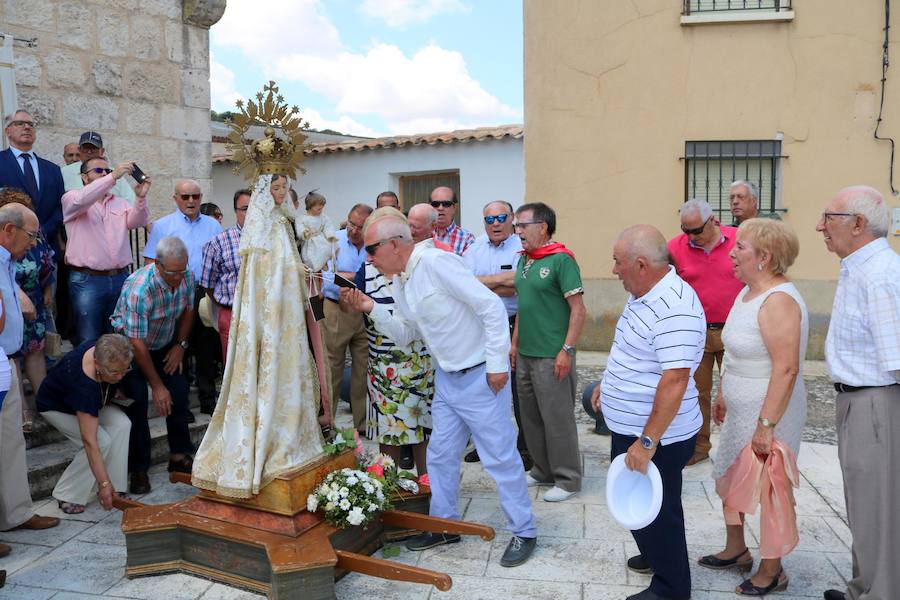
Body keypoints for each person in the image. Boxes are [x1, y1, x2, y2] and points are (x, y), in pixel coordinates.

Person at [341, 212, 537, 567]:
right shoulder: (401, 279)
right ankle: (445, 525)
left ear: (395, 245)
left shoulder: (436, 263)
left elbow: (492, 306)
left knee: (500, 458)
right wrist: (370, 308)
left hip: (480, 376)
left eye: (372, 249)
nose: (368, 258)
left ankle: (524, 531)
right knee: (440, 455)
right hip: (448, 380)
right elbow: (406, 332)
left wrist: (496, 365)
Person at [192, 174, 332, 498]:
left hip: (292, 320)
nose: (282, 194)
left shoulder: (287, 227)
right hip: (259, 322)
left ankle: (298, 436)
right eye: (276, 188)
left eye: (285, 187)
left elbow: (307, 267)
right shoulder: (254, 238)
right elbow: (240, 286)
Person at [593, 224, 704, 600]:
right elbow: (631, 350)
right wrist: (609, 387)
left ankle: (672, 588)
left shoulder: (676, 307)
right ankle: (657, 553)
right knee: (638, 502)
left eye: (617, 262)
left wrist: (646, 442)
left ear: (640, 264)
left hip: (659, 435)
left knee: (660, 511)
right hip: (634, 427)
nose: (613, 270)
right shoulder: (643, 293)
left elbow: (674, 380)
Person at [702, 219, 806, 596]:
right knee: (729, 472)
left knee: (770, 487)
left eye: (740, 247)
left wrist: (766, 424)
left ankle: (773, 570)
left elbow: (787, 367)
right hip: (741, 404)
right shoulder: (746, 293)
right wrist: (723, 393)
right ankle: (737, 549)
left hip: (770, 409)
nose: (731, 252)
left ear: (763, 257)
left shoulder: (779, 301)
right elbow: (734, 350)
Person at [817, 185, 900, 600]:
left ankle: (878, 593)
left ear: (858, 224)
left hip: (876, 401)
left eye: (828, 218)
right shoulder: (859, 267)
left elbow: (898, 357)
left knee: (879, 508)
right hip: (858, 398)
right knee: (863, 505)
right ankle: (862, 587)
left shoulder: (881, 274)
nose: (821, 227)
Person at [344, 207, 434, 476]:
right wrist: (350, 302)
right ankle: (391, 488)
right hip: (382, 366)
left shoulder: (415, 266)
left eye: (373, 247)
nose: (370, 255)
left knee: (423, 429)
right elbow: (355, 304)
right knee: (388, 431)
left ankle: (428, 485)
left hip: (418, 363)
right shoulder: (367, 270)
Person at [111, 236, 197, 494]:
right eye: (172, 273)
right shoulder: (140, 288)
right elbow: (136, 344)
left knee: (179, 393)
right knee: (137, 404)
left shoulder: (186, 275)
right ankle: (138, 469)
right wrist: (157, 386)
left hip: (164, 341)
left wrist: (180, 346)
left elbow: (189, 310)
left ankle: (178, 457)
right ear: (158, 265)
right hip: (130, 348)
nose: (178, 278)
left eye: (182, 271)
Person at [512, 202, 585, 502]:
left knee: (557, 419)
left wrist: (567, 350)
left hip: (551, 354)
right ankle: (542, 469)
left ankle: (567, 478)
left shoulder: (561, 261)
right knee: (530, 417)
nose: (517, 231)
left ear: (542, 226)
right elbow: (523, 308)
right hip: (526, 353)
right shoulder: (524, 260)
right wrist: (514, 344)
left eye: (522, 225)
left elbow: (579, 311)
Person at [0, 203, 59, 544]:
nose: (35, 243)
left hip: (8, 360)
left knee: (11, 442)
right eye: (31, 235)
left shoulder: (8, 260)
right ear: (9, 230)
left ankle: (16, 513)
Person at [667, 199, 743, 465]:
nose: (691, 237)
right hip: (695, 332)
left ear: (713, 221)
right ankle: (698, 447)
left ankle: (738, 449)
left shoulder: (738, 239)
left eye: (696, 231)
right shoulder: (675, 247)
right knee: (696, 392)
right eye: (685, 230)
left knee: (736, 393)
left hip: (734, 330)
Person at [144, 179, 222, 419]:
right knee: (179, 349)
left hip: (206, 292)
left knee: (207, 349)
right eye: (185, 197)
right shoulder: (163, 225)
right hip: (176, 293)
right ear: (175, 198)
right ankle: (183, 405)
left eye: (195, 196)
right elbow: (150, 262)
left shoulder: (213, 225)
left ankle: (209, 401)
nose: (191, 201)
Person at [462, 201, 531, 469]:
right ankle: (486, 446)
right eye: (489, 219)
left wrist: (482, 284)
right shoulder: (475, 248)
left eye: (501, 217)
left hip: (515, 324)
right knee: (484, 390)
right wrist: (499, 283)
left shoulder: (521, 247)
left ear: (512, 219)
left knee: (519, 390)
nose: (495, 224)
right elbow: (463, 285)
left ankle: (525, 449)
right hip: (481, 329)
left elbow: (519, 285)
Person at [36, 334, 133, 514]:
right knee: (101, 441)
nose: (120, 377)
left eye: (124, 370)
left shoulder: (105, 345)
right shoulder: (84, 386)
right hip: (56, 406)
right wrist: (104, 484)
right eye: (114, 372)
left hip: (91, 401)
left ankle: (116, 486)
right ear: (97, 364)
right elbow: (90, 442)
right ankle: (67, 493)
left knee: (122, 424)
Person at [62, 157, 150, 345]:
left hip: (119, 277)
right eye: (99, 171)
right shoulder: (71, 197)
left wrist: (141, 198)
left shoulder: (119, 202)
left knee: (116, 338)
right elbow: (81, 200)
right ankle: (87, 374)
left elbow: (137, 222)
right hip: (87, 280)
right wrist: (113, 177)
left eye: (107, 171)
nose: (105, 174)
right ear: (84, 177)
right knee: (88, 338)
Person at [0, 189, 55, 434]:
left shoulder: (28, 238)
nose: (33, 241)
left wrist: (46, 289)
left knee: (35, 351)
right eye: (30, 234)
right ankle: (23, 411)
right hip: (15, 306)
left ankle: (46, 405)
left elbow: (47, 260)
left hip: (35, 297)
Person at [322, 203, 373, 431]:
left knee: (364, 369)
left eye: (359, 226)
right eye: (351, 223)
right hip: (335, 309)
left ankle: (361, 424)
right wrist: (357, 276)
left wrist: (344, 275)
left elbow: (377, 274)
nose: (353, 230)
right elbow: (323, 276)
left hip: (365, 311)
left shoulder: (373, 243)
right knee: (332, 367)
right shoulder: (333, 240)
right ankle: (328, 422)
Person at [0, 111, 65, 248]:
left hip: (47, 248)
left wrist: (40, 232)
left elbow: (60, 207)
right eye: (19, 123)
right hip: (8, 246)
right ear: (8, 131)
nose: (27, 127)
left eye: (30, 124)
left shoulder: (53, 169)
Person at [200, 189, 250, 360]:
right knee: (234, 368)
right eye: (245, 208)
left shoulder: (272, 241)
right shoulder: (219, 242)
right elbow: (208, 283)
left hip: (264, 315)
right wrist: (226, 304)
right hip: (231, 314)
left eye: (254, 208)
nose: (250, 213)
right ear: (235, 211)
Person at [61, 131, 136, 204]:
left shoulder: (115, 173)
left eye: (93, 148)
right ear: (80, 150)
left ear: (102, 151)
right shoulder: (64, 172)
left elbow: (131, 203)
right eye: (86, 148)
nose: (89, 152)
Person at [297, 190, 337, 273]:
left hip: (321, 239)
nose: (321, 210)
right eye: (319, 209)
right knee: (309, 256)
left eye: (322, 208)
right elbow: (299, 228)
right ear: (310, 206)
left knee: (327, 249)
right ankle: (314, 267)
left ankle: (323, 263)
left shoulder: (323, 217)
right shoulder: (301, 218)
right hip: (310, 241)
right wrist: (304, 232)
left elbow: (328, 226)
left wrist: (330, 235)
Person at [430, 186, 474, 255]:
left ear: (454, 207)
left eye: (446, 204)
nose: (440, 208)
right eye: (435, 204)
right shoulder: (422, 234)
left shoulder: (467, 238)